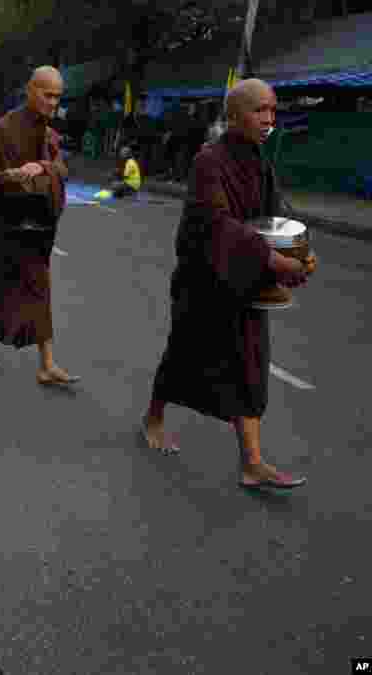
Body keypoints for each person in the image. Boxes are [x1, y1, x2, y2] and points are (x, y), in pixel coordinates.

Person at [142, 78, 317, 490]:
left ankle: (252, 463)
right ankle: (153, 416)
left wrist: (302, 250)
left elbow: (279, 214)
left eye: (273, 111)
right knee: (184, 356)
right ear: (235, 115)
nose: (269, 119)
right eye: (261, 110)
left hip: (244, 281)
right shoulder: (209, 162)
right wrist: (273, 260)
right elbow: (216, 226)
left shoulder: (260, 161)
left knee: (250, 365)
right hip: (203, 282)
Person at [0, 66, 80, 385]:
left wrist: (41, 166)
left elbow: (62, 171)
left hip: (38, 224)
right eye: (47, 94)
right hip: (4, 219)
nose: (53, 102)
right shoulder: (2, 128)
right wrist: (9, 176)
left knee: (41, 288)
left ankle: (47, 363)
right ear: (30, 90)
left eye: (58, 97)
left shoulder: (51, 134)